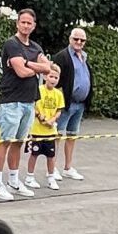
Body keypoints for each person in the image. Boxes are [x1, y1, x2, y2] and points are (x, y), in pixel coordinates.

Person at [0, 9, 52, 200]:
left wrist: (28, 63)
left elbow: (48, 68)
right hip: (12, 101)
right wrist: (34, 67)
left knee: (18, 142)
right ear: (17, 23)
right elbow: (21, 72)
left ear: (34, 26)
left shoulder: (36, 47)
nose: (25, 25)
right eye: (22, 22)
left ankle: (14, 180)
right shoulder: (11, 44)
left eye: (29, 23)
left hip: (28, 101)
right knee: (5, 141)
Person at [50, 27, 95, 182]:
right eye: (76, 39)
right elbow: (53, 78)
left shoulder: (84, 57)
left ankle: (68, 167)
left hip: (80, 104)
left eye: (82, 40)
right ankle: (52, 168)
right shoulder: (62, 56)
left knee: (72, 135)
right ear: (70, 39)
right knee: (57, 135)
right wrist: (58, 101)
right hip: (66, 104)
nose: (79, 42)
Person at [25, 65, 65, 191]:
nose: (53, 79)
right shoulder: (38, 90)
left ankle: (51, 177)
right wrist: (41, 118)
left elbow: (59, 110)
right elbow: (33, 106)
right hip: (36, 130)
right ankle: (29, 177)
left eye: (56, 77)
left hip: (50, 131)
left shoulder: (58, 94)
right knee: (34, 154)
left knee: (51, 156)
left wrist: (52, 120)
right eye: (51, 76)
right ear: (45, 77)